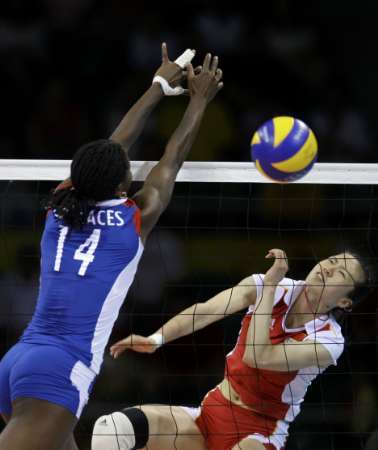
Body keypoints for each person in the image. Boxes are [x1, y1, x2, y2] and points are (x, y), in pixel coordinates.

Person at [0, 43, 223, 450]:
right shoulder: (135, 218)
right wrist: (199, 100)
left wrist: (158, 85)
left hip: (21, 360)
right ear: (122, 185)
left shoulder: (60, 204)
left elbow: (113, 145)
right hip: (61, 369)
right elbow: (170, 160)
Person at [93, 249, 371, 450]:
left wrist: (270, 286)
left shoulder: (329, 341)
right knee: (112, 429)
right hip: (211, 412)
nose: (329, 268)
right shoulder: (266, 285)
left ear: (345, 302)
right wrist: (155, 339)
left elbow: (258, 355)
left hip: (259, 433)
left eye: (341, 273)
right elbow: (205, 312)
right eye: (332, 260)